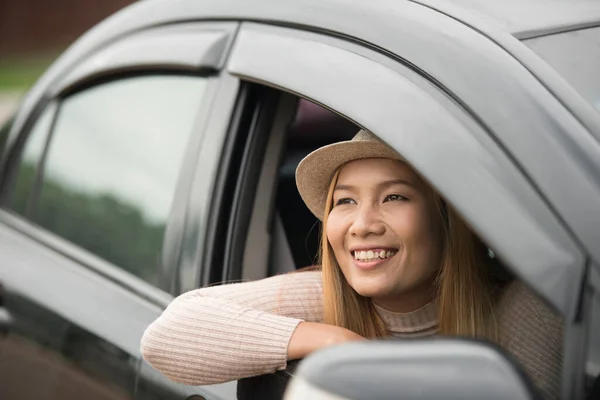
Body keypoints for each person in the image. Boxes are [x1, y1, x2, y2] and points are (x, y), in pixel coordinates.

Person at [141, 130, 563, 400]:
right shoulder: (325, 296)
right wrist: (338, 346)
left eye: (394, 197)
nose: (362, 225)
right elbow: (167, 336)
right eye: (345, 201)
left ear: (447, 219)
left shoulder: (526, 308)